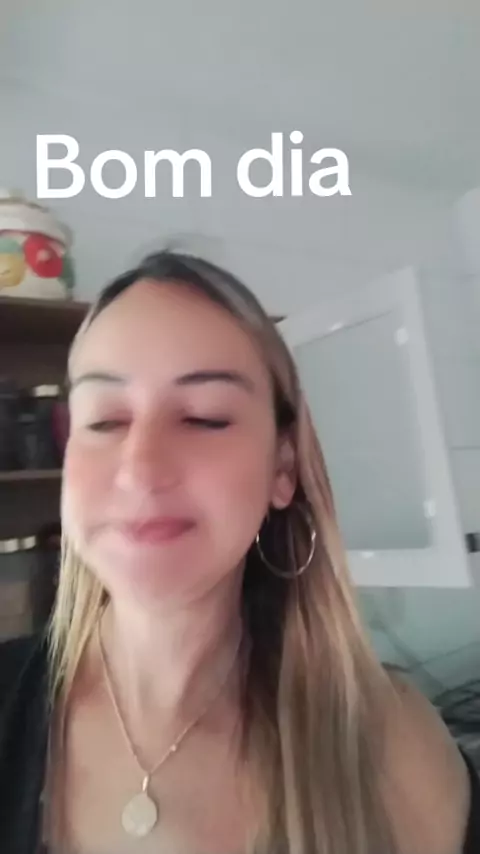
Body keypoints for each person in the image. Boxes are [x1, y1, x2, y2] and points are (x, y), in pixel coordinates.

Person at [0, 250, 478, 854]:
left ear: (283, 468)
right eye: (105, 420)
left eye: (205, 418)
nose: (141, 469)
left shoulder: (393, 745)